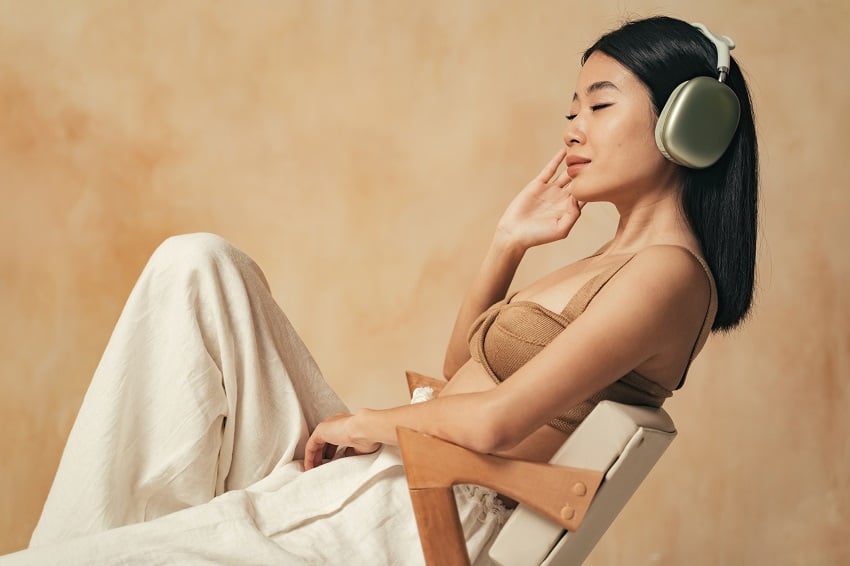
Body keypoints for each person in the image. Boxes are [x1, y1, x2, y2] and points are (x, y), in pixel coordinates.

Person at [2, 15, 758, 565]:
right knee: (198, 265)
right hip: (399, 467)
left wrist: (373, 423)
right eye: (570, 110)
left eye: (598, 105)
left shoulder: (667, 274)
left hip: (425, 510)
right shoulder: (610, 259)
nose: (571, 129)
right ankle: (115, 539)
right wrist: (506, 245)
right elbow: (465, 367)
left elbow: (494, 423)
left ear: (688, 124)